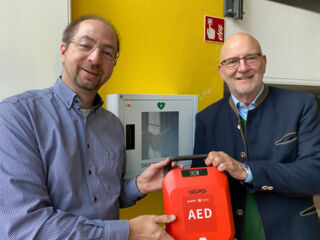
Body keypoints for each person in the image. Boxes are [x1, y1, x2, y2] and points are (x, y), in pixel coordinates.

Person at [0, 15, 177, 240]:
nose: (94, 58)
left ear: (114, 63)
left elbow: (102, 198)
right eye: (85, 45)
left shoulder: (113, 125)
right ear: (64, 51)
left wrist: (138, 185)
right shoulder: (17, 116)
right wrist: (127, 231)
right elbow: (26, 226)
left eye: (107, 52)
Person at [192, 32, 320, 240]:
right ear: (221, 71)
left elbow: (315, 175)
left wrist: (246, 171)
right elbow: (201, 188)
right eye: (232, 61)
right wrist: (178, 177)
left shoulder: (302, 105)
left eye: (250, 57)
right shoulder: (206, 119)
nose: (242, 68)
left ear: (264, 62)